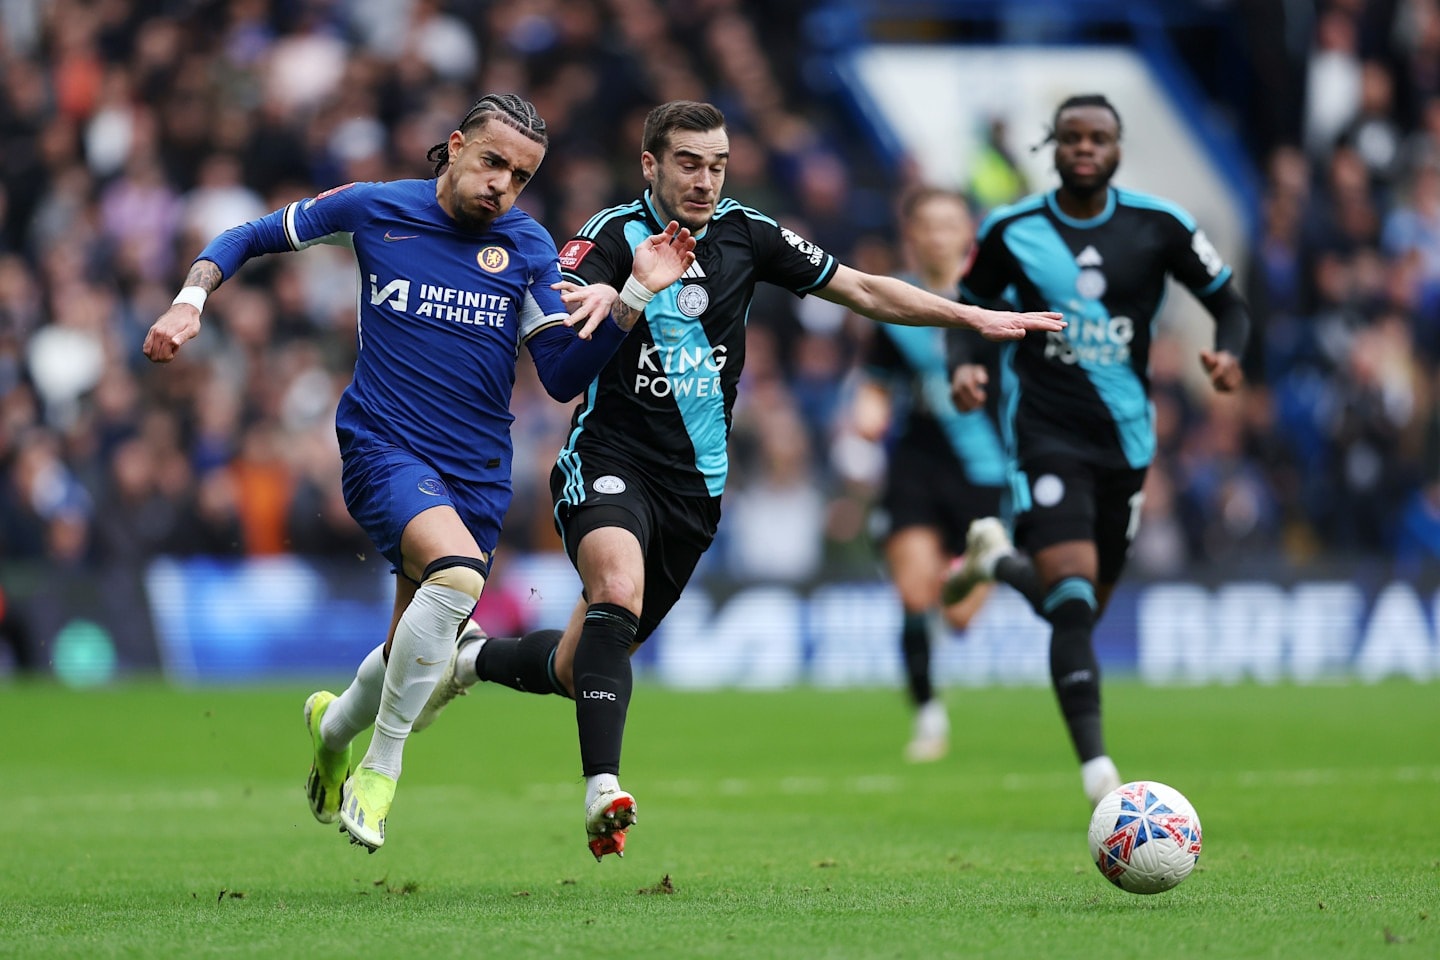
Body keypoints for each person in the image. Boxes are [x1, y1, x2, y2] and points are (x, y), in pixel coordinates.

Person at [414, 99, 1065, 861]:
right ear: (652, 164)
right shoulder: (610, 233)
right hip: (610, 459)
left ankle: (474, 659)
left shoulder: (748, 234)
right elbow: (569, 292)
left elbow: (861, 288)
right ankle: (602, 791)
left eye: (717, 164)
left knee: (583, 658)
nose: (705, 179)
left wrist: (968, 316)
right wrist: (597, 294)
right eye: (689, 163)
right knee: (615, 590)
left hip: (696, 492)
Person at [142, 93, 698, 852]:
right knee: (460, 578)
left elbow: (564, 377)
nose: (503, 183)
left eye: (521, 175)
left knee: (416, 652)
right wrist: (190, 299)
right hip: (383, 447)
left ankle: (332, 730)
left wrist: (634, 295)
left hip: (475, 476)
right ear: (457, 145)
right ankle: (381, 770)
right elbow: (251, 234)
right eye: (494, 162)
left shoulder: (528, 247)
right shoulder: (378, 208)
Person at [941, 94, 1251, 807]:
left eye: (1098, 138)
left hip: (1128, 443)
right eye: (1072, 137)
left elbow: (1230, 303)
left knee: (1075, 606)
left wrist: (1229, 357)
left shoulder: (1160, 225)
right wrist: (965, 363)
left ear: (1117, 146)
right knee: (1074, 600)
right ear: (1052, 147)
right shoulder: (1013, 228)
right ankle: (1098, 771)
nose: (1085, 148)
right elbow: (967, 306)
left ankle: (997, 562)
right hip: (1045, 434)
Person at [850, 187, 1006, 762]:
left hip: (987, 467)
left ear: (969, 231)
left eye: (950, 223)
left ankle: (964, 578)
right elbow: (874, 381)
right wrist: (868, 414)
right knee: (915, 594)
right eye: (928, 225)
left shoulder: (998, 297)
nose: (938, 234)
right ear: (911, 233)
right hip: (916, 462)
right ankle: (928, 714)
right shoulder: (896, 303)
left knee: (959, 614)